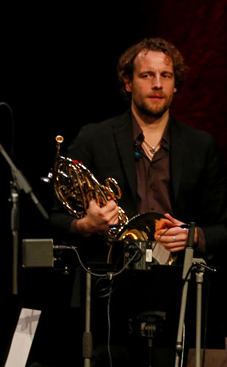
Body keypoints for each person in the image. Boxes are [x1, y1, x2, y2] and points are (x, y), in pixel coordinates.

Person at [50, 37, 227, 257]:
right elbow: (55, 218)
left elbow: (222, 229)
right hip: (108, 280)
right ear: (128, 82)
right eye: (147, 75)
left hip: (178, 282)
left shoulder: (201, 146)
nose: (158, 84)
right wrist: (86, 225)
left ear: (175, 86)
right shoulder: (93, 138)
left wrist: (195, 236)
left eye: (166, 76)